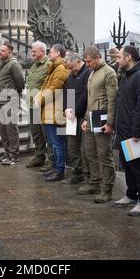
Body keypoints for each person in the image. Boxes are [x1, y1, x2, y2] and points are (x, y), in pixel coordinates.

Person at [113, 46, 140, 216]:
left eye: (120, 56)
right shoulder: (127, 76)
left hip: (135, 132)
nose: (117, 60)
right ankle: (131, 195)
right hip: (124, 130)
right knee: (127, 165)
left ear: (128, 57)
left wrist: (136, 132)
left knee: (138, 167)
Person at [80, 46, 117, 203]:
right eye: (86, 61)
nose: (87, 64)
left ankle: (107, 189)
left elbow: (112, 100)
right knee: (89, 152)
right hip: (91, 117)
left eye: (89, 61)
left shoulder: (109, 72)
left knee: (104, 154)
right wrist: (86, 119)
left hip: (102, 117)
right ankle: (94, 182)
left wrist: (109, 122)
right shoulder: (93, 72)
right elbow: (90, 98)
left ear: (97, 57)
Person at [35, 44, 69, 182]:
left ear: (59, 53)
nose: (49, 54)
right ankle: (56, 167)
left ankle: (60, 170)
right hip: (49, 111)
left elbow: (53, 89)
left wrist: (39, 100)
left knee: (57, 143)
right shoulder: (54, 67)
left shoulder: (60, 69)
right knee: (53, 142)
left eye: (52, 52)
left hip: (54, 111)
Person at [62, 52, 91, 185]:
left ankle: (88, 175)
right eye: (68, 67)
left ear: (78, 61)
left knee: (86, 148)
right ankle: (77, 172)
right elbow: (67, 93)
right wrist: (66, 109)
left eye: (71, 67)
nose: (69, 70)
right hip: (71, 116)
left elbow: (86, 95)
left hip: (82, 116)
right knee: (72, 147)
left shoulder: (88, 73)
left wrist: (75, 110)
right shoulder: (71, 75)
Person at [0, 42, 25, 165]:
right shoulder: (1, 64)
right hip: (1, 100)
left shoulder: (14, 64)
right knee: (3, 129)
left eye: (3, 50)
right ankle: (7, 152)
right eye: (0, 50)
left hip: (11, 101)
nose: (0, 52)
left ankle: (14, 155)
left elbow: (21, 83)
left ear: (9, 52)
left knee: (11, 129)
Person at [26, 41, 53, 171]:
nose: (32, 53)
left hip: (43, 106)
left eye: (34, 51)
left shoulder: (49, 65)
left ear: (42, 51)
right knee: (36, 133)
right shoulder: (34, 65)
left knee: (47, 134)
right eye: (32, 51)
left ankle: (50, 159)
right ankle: (39, 156)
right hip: (32, 105)